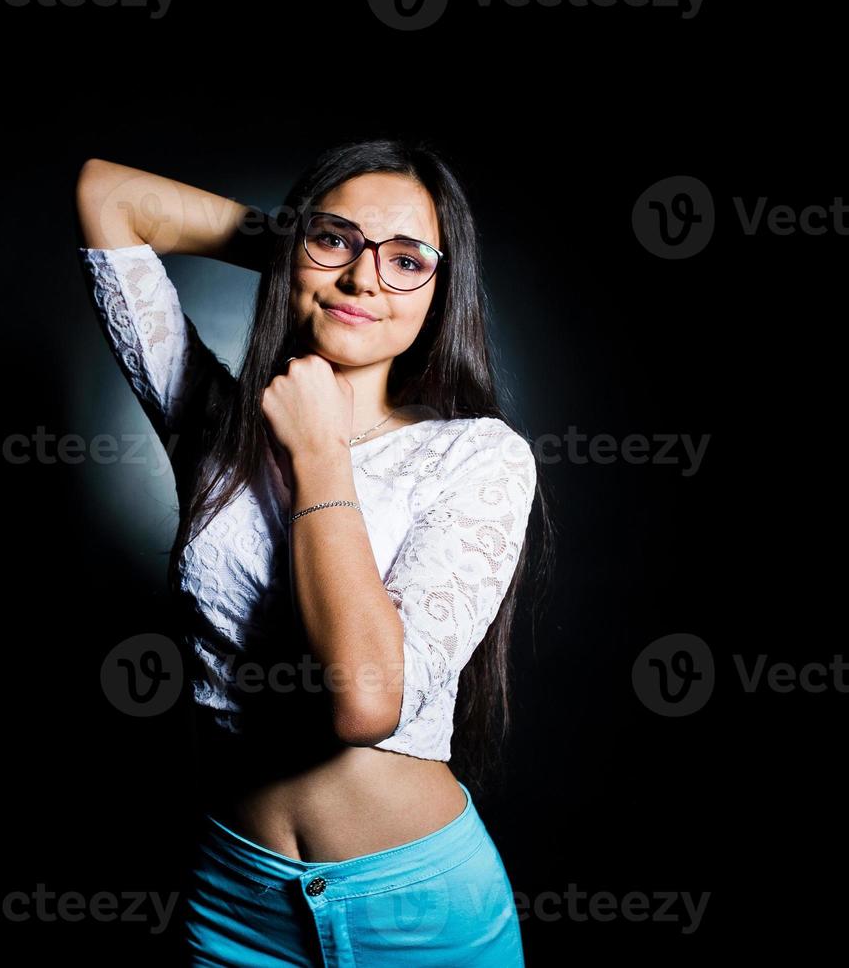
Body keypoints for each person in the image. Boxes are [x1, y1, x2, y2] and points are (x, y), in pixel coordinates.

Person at [75, 137, 552, 966]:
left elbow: (365, 701)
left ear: (442, 291)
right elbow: (106, 195)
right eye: (336, 240)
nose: (366, 278)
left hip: (418, 912)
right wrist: (307, 250)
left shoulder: (477, 456)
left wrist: (319, 455)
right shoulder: (213, 430)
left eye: (407, 260)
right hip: (232, 901)